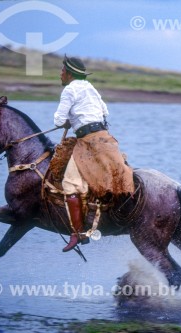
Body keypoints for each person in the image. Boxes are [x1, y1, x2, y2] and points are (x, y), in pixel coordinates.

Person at [54, 55, 134, 252]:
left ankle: (77, 232)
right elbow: (105, 112)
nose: (60, 74)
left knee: (70, 184)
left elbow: (57, 121)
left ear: (69, 73)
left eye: (62, 71)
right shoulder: (91, 88)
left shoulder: (69, 90)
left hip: (87, 142)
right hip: (105, 138)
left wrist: (68, 120)